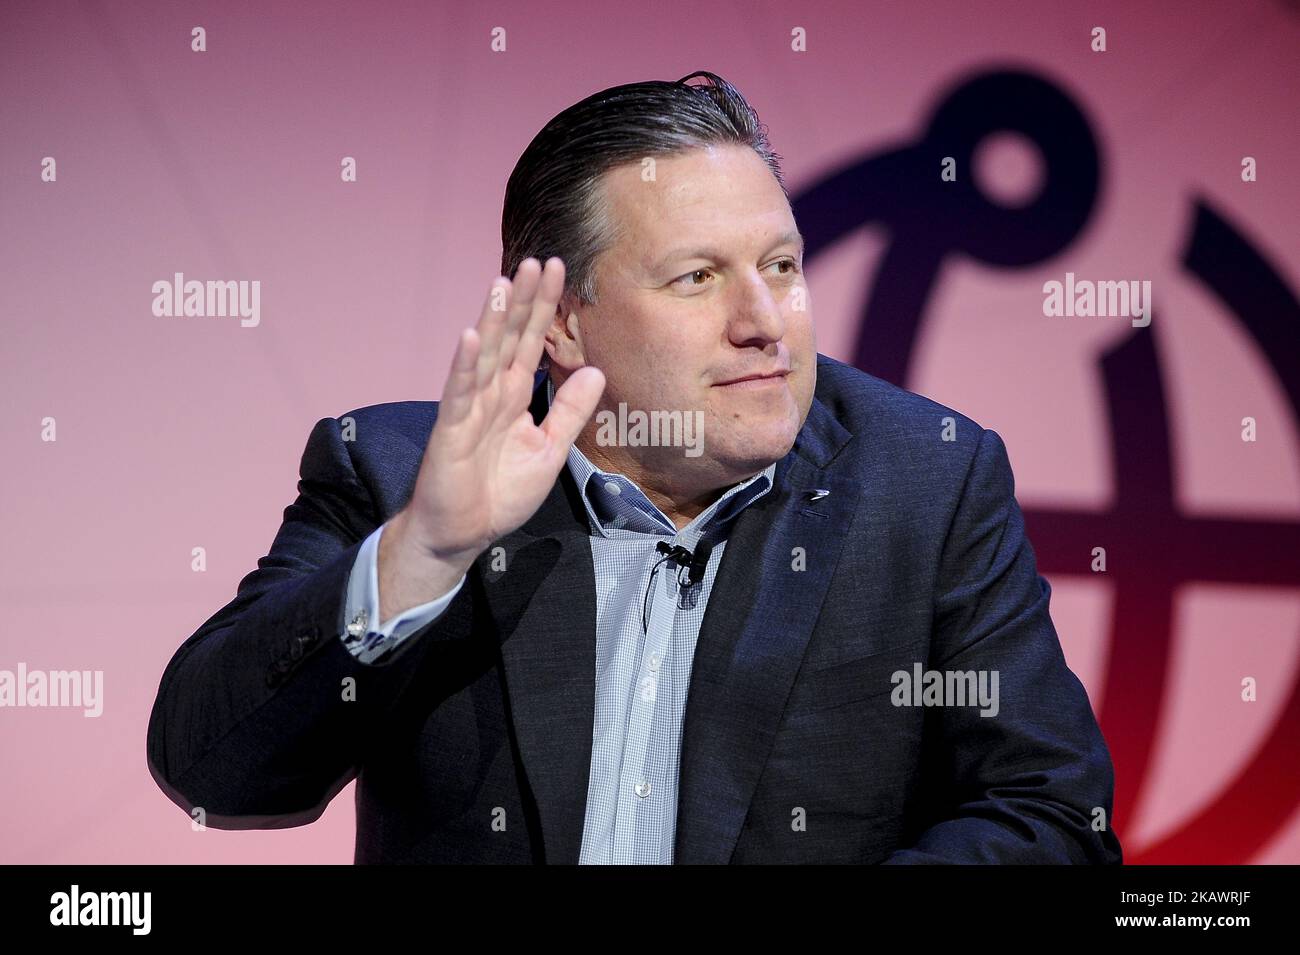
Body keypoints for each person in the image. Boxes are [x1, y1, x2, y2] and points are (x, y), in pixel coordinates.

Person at [146, 71, 1122, 864]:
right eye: (697, 277)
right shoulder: (403, 475)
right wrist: (424, 554)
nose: (764, 322)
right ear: (562, 322)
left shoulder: (926, 484)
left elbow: (1049, 816)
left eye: (781, 267)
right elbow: (213, 775)